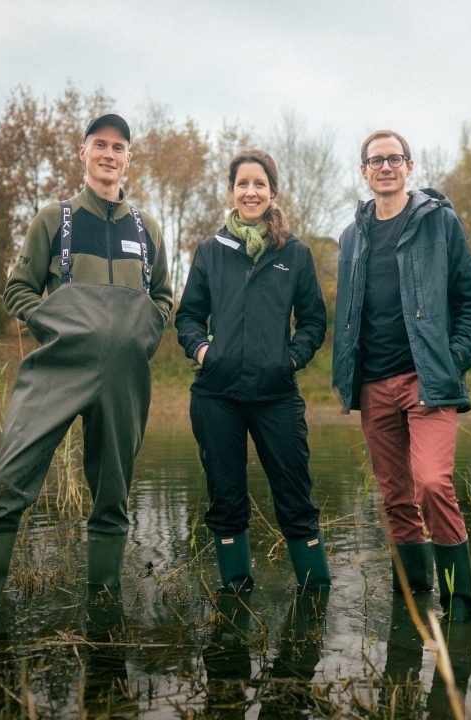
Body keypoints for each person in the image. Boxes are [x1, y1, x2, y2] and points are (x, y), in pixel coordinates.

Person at [0, 113, 173, 615]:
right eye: (99, 145)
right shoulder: (52, 218)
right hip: (58, 369)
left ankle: (102, 616)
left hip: (125, 378)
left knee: (112, 497)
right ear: (83, 153)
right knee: (8, 482)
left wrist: (144, 333)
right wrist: (53, 325)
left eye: (118, 147)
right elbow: (18, 287)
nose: (109, 154)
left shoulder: (147, 230)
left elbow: (165, 297)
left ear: (128, 157)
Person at [332, 130, 471, 621]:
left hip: (427, 382)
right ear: (363, 171)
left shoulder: (438, 222)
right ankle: (414, 595)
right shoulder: (352, 236)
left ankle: (458, 600)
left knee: (431, 483)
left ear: (410, 166)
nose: (386, 167)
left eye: (394, 158)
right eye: (375, 160)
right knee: (396, 495)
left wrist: (451, 359)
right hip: (373, 385)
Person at [175, 149, 330, 593]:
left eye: (259, 184)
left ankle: (315, 597)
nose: (250, 191)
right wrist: (204, 351)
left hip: (276, 395)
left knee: (296, 499)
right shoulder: (210, 251)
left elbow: (314, 321)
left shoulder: (294, 254)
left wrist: (291, 358)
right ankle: (236, 597)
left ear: (273, 192)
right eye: (242, 183)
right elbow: (188, 316)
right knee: (226, 500)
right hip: (216, 396)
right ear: (231, 192)